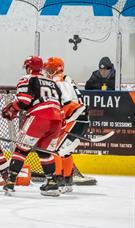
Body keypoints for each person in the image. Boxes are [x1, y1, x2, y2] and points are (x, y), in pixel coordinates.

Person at [1, 56, 64, 197]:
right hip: (57, 119)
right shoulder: (52, 82)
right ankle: (52, 183)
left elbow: (24, 101)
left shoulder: (27, 78)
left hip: (39, 117)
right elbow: (60, 103)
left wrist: (12, 108)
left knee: (21, 149)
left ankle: (10, 182)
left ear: (29, 67)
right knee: (45, 152)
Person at [44, 57, 89, 193]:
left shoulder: (58, 80)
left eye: (50, 69)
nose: (48, 72)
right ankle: (68, 180)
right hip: (80, 117)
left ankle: (58, 181)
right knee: (66, 151)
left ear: (57, 69)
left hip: (73, 117)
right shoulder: (66, 78)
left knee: (54, 148)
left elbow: (67, 101)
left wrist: (59, 117)